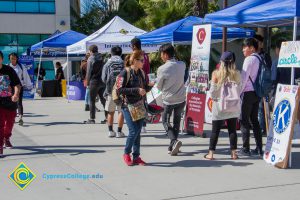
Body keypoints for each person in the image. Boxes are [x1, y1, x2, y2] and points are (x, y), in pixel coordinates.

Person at [117, 50, 154, 166]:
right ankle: (126, 153)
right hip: (127, 106)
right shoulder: (125, 72)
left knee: (137, 132)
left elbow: (144, 89)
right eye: (142, 60)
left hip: (139, 105)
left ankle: (136, 157)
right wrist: (136, 90)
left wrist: (149, 87)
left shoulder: (141, 73)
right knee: (134, 131)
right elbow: (119, 90)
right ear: (135, 60)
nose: (144, 62)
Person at [204, 52, 241, 160]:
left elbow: (212, 92)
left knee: (215, 131)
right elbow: (240, 89)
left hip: (219, 106)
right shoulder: (237, 74)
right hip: (233, 105)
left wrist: (217, 98)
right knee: (232, 130)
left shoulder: (216, 74)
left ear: (221, 61)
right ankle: (234, 153)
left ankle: (210, 154)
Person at [156, 44, 186, 156]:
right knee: (177, 121)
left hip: (168, 100)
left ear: (165, 54)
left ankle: (174, 141)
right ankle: (172, 146)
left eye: (161, 54)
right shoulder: (182, 64)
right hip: (181, 98)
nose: (160, 56)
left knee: (165, 121)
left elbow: (158, 87)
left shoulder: (162, 68)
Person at [238, 38, 263, 157]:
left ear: (252, 48)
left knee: (244, 120)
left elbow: (243, 79)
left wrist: (238, 93)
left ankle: (245, 148)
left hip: (248, 92)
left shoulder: (248, 59)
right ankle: (259, 148)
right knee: (254, 120)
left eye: (245, 47)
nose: (243, 49)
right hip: (257, 92)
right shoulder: (259, 58)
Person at [0, 50, 21, 155]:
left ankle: (6, 138)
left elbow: (17, 84)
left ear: (2, 59)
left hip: (10, 103)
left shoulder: (9, 70)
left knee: (9, 125)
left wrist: (16, 94)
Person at [102, 46, 125, 138]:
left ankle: (111, 131)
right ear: (121, 53)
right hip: (121, 91)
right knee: (121, 111)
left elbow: (103, 78)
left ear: (111, 53)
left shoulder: (108, 63)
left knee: (110, 112)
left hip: (110, 90)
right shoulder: (123, 63)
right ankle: (119, 132)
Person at [253, 34, 272, 136]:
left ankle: (263, 128)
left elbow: (268, 71)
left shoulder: (265, 56)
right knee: (256, 108)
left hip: (263, 85)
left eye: (257, 42)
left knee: (262, 107)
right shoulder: (253, 56)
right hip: (254, 85)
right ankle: (259, 127)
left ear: (261, 44)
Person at [131, 38, 150, 133]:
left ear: (133, 46)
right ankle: (143, 125)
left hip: (135, 82)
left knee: (135, 103)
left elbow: (130, 69)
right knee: (142, 102)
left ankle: (138, 126)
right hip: (144, 81)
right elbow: (148, 69)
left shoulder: (134, 55)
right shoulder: (145, 55)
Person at [8, 53, 33, 126]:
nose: (13, 60)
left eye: (14, 58)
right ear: (9, 59)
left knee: (19, 102)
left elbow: (26, 76)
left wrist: (29, 85)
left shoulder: (21, 67)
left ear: (17, 58)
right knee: (11, 103)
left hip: (19, 86)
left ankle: (20, 117)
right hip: (10, 87)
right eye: (11, 58)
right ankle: (12, 117)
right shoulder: (7, 67)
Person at [84, 45, 105, 124]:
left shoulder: (91, 59)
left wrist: (87, 81)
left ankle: (92, 118)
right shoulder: (102, 58)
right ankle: (107, 117)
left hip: (94, 81)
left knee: (92, 100)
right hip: (102, 81)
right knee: (103, 100)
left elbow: (88, 72)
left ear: (91, 51)